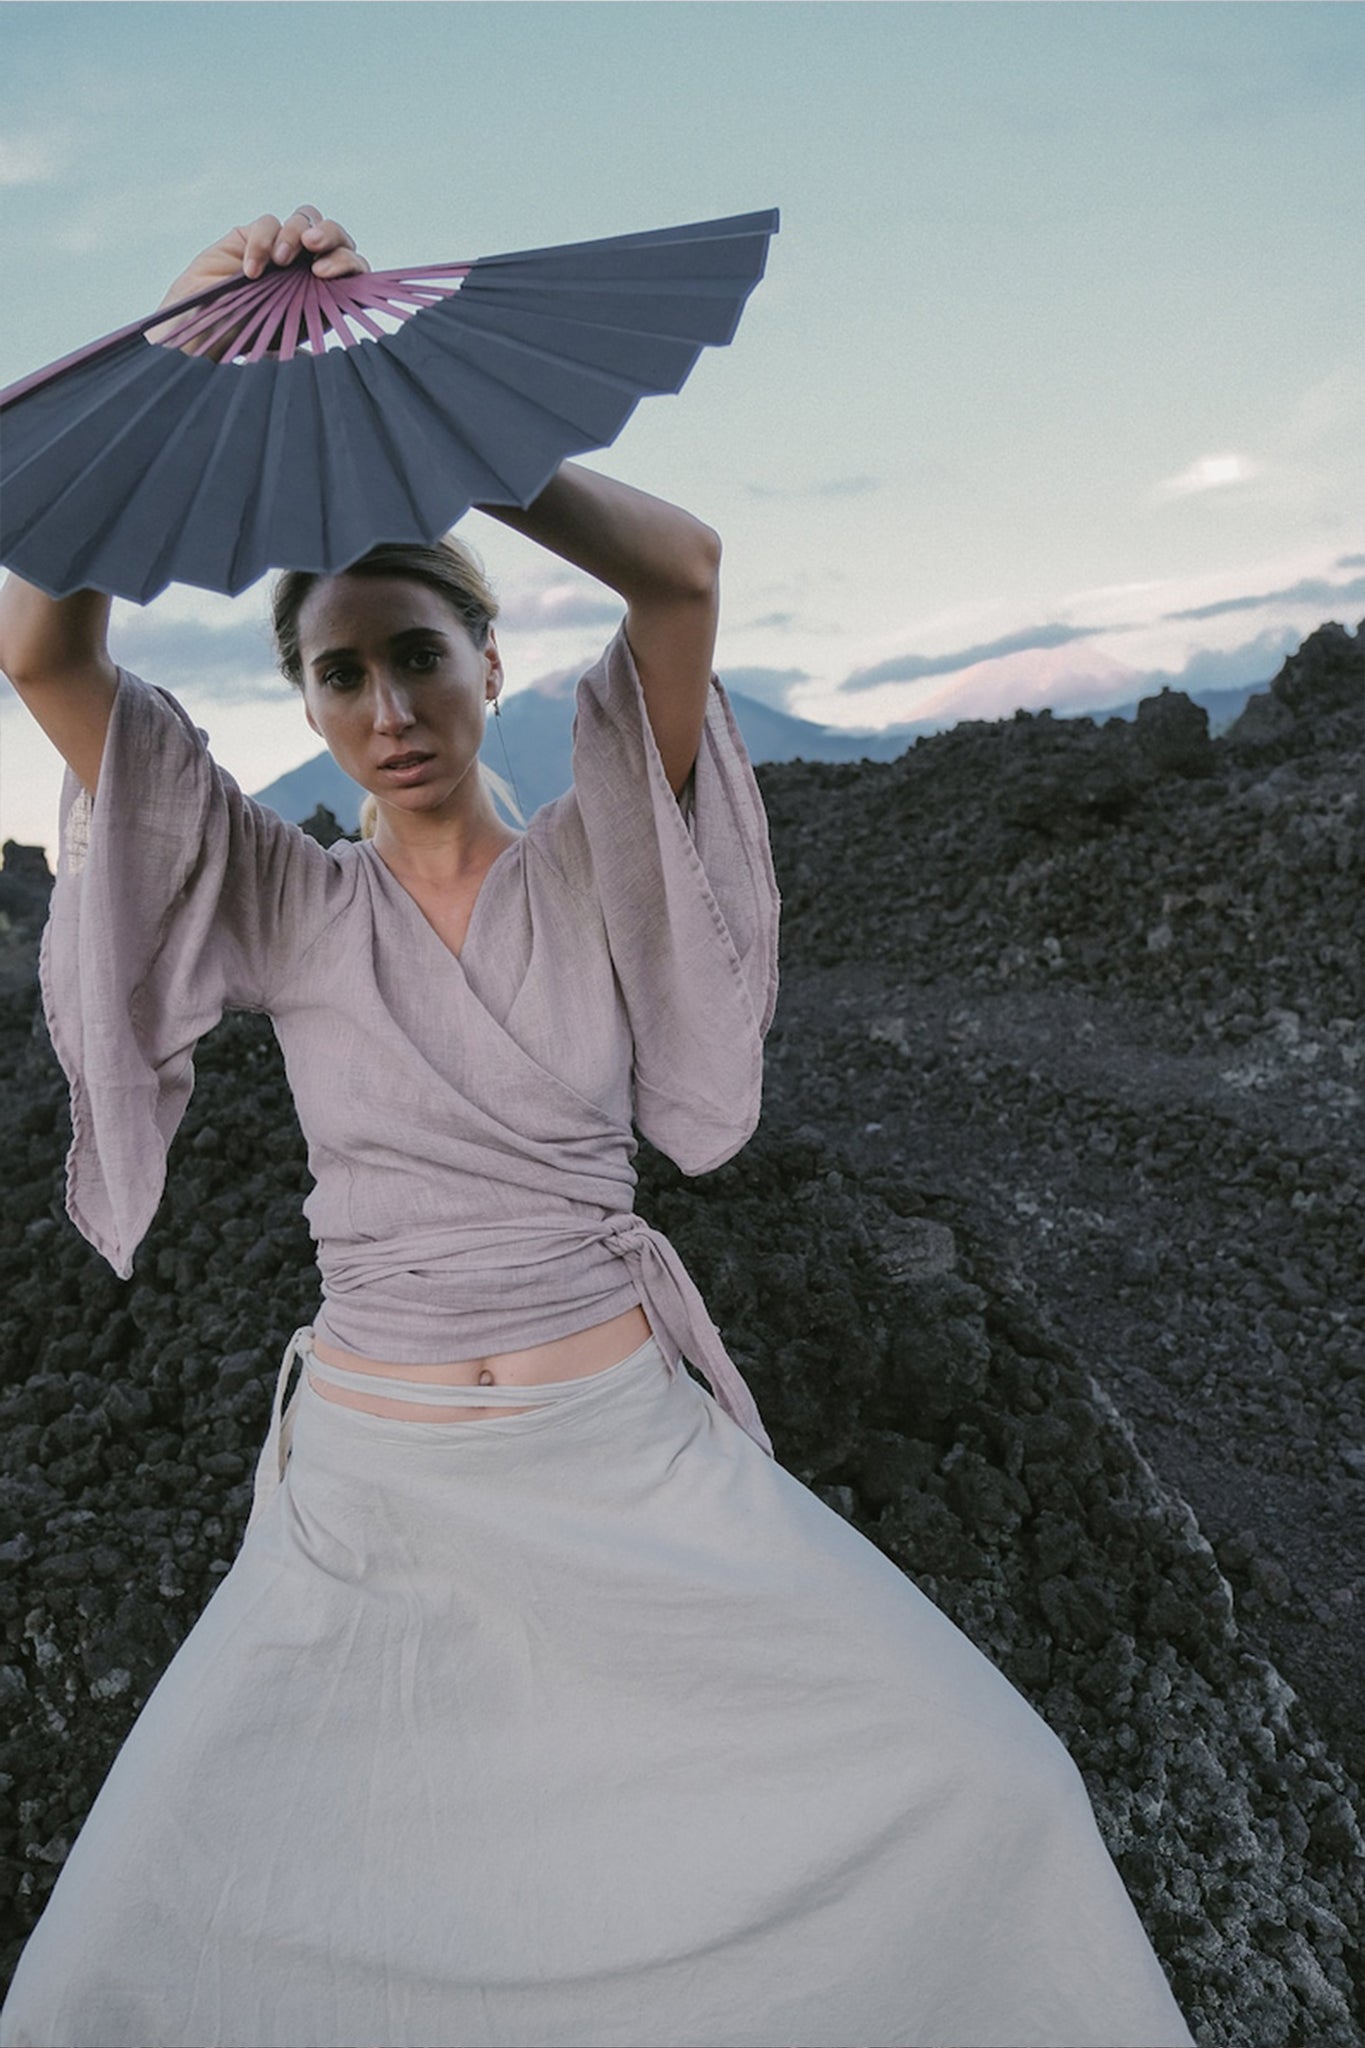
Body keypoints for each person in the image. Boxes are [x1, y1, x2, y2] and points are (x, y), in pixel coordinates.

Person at [0, 207, 1193, 2048]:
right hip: (373, 1508)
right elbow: (47, 661)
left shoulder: (602, 857)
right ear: (300, 701)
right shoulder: (279, 895)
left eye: (417, 653)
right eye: (338, 672)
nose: (385, 709)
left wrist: (436, 428)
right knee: (112, 1972)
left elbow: (683, 577)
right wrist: (179, 332)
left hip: (628, 1461)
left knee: (991, 1795)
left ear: (485, 659)